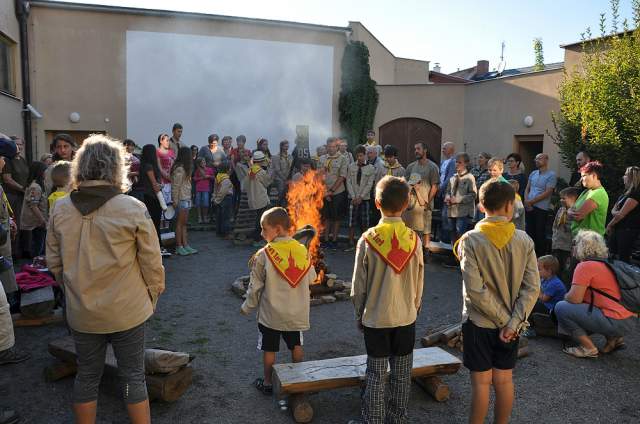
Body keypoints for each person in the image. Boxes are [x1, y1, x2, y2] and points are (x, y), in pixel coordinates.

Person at [46, 134, 165, 424]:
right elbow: (152, 263)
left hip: (82, 311)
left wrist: (74, 290)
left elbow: (54, 262)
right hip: (127, 309)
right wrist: (152, 296)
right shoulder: (132, 208)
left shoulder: (60, 208)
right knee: (132, 377)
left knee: (87, 375)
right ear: (116, 167)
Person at [456, 180, 539, 424]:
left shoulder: (469, 239)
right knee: (504, 381)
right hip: (511, 326)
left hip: (478, 322)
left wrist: (504, 321)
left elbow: (475, 290)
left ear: (481, 205)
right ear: (510, 205)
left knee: (481, 384)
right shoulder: (524, 240)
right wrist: (512, 323)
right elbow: (532, 287)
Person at [350, 176, 424, 424]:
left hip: (376, 318)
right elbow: (420, 280)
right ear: (406, 204)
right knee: (402, 374)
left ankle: (374, 419)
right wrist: (414, 307)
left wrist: (359, 313)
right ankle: (398, 418)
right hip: (405, 318)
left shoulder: (368, 239)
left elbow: (358, 286)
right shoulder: (414, 239)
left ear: (377, 203)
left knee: (376, 373)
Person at [240, 207, 316, 395]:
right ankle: (298, 380)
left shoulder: (264, 254)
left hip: (271, 315)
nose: (261, 233)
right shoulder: (302, 250)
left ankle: (267, 383)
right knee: (296, 346)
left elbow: (255, 286)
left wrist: (247, 306)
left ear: (278, 229)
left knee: (269, 349)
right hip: (295, 313)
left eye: (264, 229)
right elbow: (312, 278)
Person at [555, 231, 638, 358]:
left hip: (616, 321)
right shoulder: (608, 263)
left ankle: (588, 348)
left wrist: (565, 296)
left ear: (582, 247)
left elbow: (575, 299)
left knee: (562, 307)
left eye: (575, 244)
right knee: (593, 305)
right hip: (630, 319)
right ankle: (614, 339)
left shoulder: (585, 266)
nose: (573, 248)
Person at [404, 142, 439, 249]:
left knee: (426, 231)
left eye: (418, 149)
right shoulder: (411, 167)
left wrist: (427, 202)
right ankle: (411, 251)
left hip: (425, 205)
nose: (416, 151)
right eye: (415, 149)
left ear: (425, 150)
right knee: (410, 231)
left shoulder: (432, 167)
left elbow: (435, 186)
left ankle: (425, 252)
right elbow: (405, 184)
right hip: (412, 206)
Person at [139, 145, 170, 257]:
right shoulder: (149, 166)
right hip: (153, 197)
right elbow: (154, 184)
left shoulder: (144, 165)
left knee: (153, 223)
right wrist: (160, 186)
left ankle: (156, 247)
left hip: (148, 196)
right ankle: (159, 247)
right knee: (155, 224)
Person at [524, 153, 557, 256]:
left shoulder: (551, 175)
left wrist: (531, 202)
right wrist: (526, 200)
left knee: (539, 233)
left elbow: (548, 192)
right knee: (529, 231)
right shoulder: (533, 173)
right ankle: (529, 254)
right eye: (536, 159)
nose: (536, 160)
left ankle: (540, 256)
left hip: (541, 208)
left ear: (546, 160)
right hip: (529, 206)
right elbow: (527, 188)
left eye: (539, 158)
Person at [319, 138, 348, 249]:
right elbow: (319, 176)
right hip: (325, 192)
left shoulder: (343, 159)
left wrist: (331, 191)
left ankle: (334, 240)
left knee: (336, 217)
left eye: (333, 147)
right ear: (326, 147)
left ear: (337, 147)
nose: (331, 149)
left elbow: (342, 176)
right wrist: (325, 192)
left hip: (337, 192)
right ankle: (326, 240)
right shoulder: (322, 159)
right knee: (326, 217)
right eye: (329, 146)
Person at [345, 145, 376, 252]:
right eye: (357, 156)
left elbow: (369, 184)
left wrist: (361, 197)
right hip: (353, 199)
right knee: (351, 222)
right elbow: (348, 182)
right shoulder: (351, 166)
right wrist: (354, 197)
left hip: (364, 199)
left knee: (365, 222)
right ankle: (350, 242)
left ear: (365, 155)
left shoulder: (371, 168)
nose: (359, 158)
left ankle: (364, 244)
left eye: (361, 156)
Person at [606, 166, 640, 263]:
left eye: (625, 175)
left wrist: (609, 225)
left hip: (627, 231)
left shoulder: (635, 194)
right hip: (618, 229)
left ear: (631, 177)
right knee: (611, 255)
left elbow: (621, 215)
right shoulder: (625, 193)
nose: (623, 177)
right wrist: (616, 213)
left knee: (623, 258)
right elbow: (614, 210)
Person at [527, 255, 567, 337]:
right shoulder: (545, 279)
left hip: (552, 310)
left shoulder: (554, 283)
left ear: (549, 271)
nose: (537, 271)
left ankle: (530, 329)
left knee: (531, 304)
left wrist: (537, 288)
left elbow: (544, 299)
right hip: (547, 305)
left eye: (539, 269)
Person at [3, 136, 29, 259]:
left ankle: (24, 251)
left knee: (24, 223)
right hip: (12, 196)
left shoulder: (22, 160)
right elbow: (7, 179)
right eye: (16, 144)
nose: (19, 146)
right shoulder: (7, 159)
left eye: (21, 144)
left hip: (23, 196)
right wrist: (23, 189)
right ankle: (13, 254)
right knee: (14, 224)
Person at [568, 161, 609, 237]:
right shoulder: (586, 192)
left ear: (593, 176)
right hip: (580, 238)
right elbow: (573, 209)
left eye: (584, 176)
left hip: (590, 240)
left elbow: (578, 216)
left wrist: (568, 212)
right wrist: (569, 211)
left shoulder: (598, 193)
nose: (581, 179)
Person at [445, 153, 477, 246]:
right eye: (456, 162)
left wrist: (458, 199)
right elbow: (448, 191)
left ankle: (461, 253)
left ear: (466, 163)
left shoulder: (470, 178)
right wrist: (447, 196)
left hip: (462, 212)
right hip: (451, 211)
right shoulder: (453, 178)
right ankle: (454, 252)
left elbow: (473, 195)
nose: (457, 164)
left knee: (460, 234)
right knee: (452, 233)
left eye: (460, 162)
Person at [171, 146, 196, 256]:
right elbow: (176, 186)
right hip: (181, 199)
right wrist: (175, 200)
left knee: (184, 224)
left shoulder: (184, 168)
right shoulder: (179, 169)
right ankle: (179, 246)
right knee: (180, 223)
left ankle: (185, 245)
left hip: (186, 198)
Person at [20, 162, 48, 258]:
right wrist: (43, 220)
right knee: (38, 248)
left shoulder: (39, 185)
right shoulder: (35, 187)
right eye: (45, 170)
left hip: (38, 223)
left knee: (40, 246)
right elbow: (33, 206)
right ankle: (35, 264)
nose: (46, 173)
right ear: (40, 172)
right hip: (37, 223)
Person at [552, 187, 580, 282]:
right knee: (555, 266)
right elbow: (555, 225)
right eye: (561, 198)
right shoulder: (561, 209)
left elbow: (573, 228)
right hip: (557, 243)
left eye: (564, 198)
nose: (561, 200)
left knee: (564, 269)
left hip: (567, 246)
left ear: (572, 198)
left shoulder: (575, 211)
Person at [244, 151, 272, 246]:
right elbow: (267, 183)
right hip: (261, 198)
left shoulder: (250, 170)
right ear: (261, 161)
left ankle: (255, 237)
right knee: (261, 220)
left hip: (253, 198)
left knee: (258, 218)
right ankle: (257, 239)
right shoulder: (261, 172)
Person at [439, 142, 456, 244]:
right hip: (441, 193)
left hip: (447, 193)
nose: (442, 150)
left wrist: (440, 188)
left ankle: (447, 240)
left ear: (451, 150)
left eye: (445, 148)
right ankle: (443, 238)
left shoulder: (453, 162)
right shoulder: (443, 162)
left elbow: (450, 177)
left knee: (446, 216)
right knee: (442, 215)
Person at [156, 134, 175, 229]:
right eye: (166, 140)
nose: (168, 142)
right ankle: (161, 227)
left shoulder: (171, 152)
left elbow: (173, 165)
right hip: (162, 182)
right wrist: (167, 176)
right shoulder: (157, 151)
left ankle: (167, 227)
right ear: (161, 141)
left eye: (169, 140)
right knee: (162, 204)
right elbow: (159, 167)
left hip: (170, 182)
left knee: (169, 205)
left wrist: (171, 177)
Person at [213, 162, 234, 239]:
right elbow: (223, 191)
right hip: (226, 198)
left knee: (219, 216)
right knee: (226, 217)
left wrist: (215, 198)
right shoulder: (226, 179)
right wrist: (217, 200)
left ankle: (219, 232)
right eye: (230, 168)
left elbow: (215, 189)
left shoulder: (218, 176)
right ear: (227, 170)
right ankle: (226, 233)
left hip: (219, 199)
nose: (231, 170)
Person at [271, 140, 293, 206]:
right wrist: (284, 178)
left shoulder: (290, 156)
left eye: (287, 146)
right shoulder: (276, 157)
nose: (287, 148)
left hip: (288, 177)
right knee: (281, 192)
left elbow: (291, 167)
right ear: (281, 146)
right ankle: (280, 205)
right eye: (285, 146)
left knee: (289, 192)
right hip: (280, 178)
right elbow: (277, 170)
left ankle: (287, 206)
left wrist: (289, 177)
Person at [193, 157, 214, 224]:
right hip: (198, 188)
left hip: (206, 189)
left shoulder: (209, 169)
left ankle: (205, 217)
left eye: (204, 162)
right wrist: (200, 178)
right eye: (202, 162)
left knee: (206, 203)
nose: (204, 163)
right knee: (198, 203)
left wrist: (208, 176)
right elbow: (194, 178)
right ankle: (199, 217)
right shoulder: (197, 170)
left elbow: (213, 177)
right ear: (199, 164)